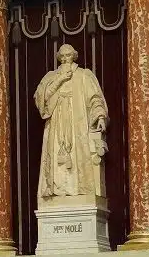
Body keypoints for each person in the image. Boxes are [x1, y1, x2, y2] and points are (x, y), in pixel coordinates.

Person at [34, 44, 109, 201]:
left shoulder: (83, 75)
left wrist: (100, 117)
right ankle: (58, 190)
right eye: (61, 56)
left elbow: (95, 98)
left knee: (78, 155)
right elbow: (41, 97)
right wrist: (60, 79)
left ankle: (78, 189)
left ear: (74, 56)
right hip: (56, 123)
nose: (64, 59)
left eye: (68, 55)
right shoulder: (51, 76)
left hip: (78, 123)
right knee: (56, 156)